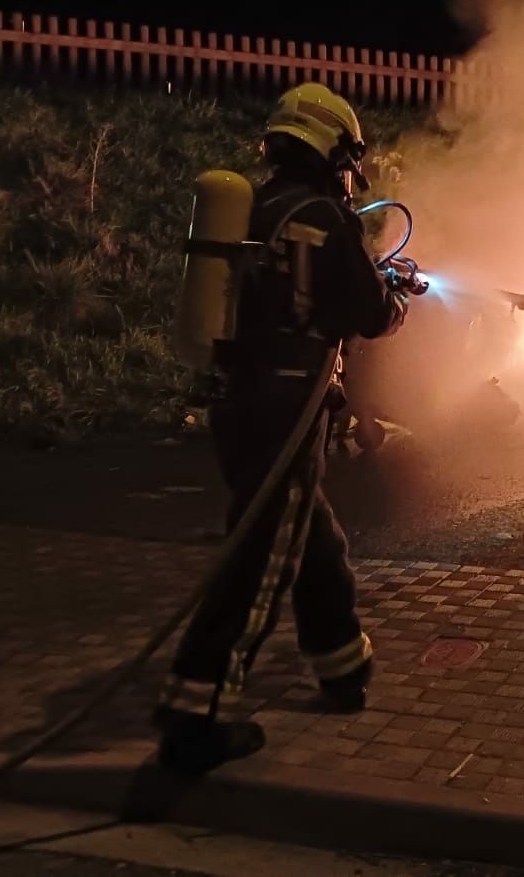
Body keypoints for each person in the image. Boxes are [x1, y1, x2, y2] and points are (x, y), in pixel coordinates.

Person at [155, 83, 408, 774]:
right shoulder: (326, 218)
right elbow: (369, 313)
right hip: (287, 411)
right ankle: (194, 717)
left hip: (241, 404)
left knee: (313, 542)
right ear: (332, 149)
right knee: (260, 564)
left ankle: (342, 667)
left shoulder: (255, 210)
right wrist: (396, 296)